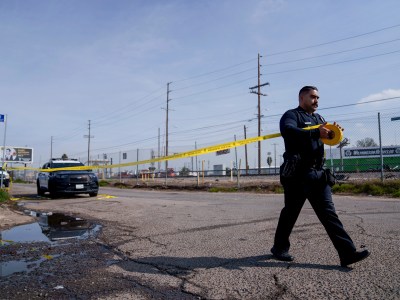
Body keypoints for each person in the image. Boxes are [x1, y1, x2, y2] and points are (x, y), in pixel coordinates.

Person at [271, 86, 370, 267]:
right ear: (302, 97)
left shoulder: (319, 119)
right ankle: (279, 248)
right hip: (296, 175)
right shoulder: (291, 115)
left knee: (329, 214)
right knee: (290, 214)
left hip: (318, 174)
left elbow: (327, 138)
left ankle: (347, 253)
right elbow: (289, 131)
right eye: (313, 97)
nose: (316, 101)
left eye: (318, 98)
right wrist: (316, 132)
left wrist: (333, 133)